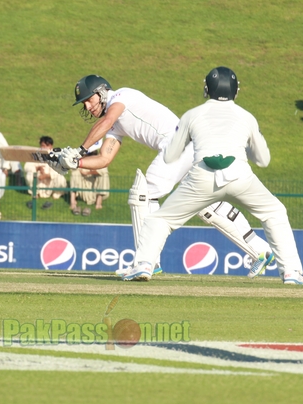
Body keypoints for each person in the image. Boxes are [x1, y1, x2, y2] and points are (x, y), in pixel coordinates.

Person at [50, 74, 274, 278]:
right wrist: (75, 162)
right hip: (190, 148)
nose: (88, 106)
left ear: (102, 92)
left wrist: (79, 150)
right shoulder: (115, 126)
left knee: (143, 195)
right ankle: (261, 250)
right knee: (206, 205)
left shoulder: (121, 96)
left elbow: (106, 121)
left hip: (175, 146)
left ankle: (145, 262)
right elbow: (104, 159)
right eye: (84, 103)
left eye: (89, 99)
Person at [120, 67, 303, 285]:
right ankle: (291, 272)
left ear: (207, 89)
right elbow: (263, 160)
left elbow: (171, 155)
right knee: (274, 212)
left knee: (159, 220)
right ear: (236, 90)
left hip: (201, 176)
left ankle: (144, 265)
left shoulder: (192, 115)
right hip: (240, 175)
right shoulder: (246, 117)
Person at [24, 136, 67, 208]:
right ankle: (35, 193)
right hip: (39, 179)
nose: (45, 148)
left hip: (50, 181)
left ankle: (56, 194)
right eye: (43, 146)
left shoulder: (57, 156)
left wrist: (47, 175)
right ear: (40, 146)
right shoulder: (35, 154)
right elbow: (26, 167)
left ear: (51, 146)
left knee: (61, 178)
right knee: (29, 175)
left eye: (47, 145)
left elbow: (60, 170)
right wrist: (37, 168)